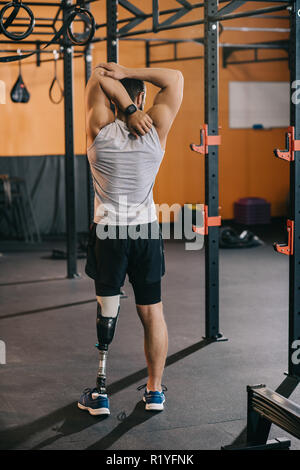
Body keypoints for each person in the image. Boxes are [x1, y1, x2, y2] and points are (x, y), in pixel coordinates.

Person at [78, 62, 184, 416]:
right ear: (142, 98)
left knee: (108, 308)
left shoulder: (98, 131)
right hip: (145, 232)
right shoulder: (156, 133)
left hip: (108, 232)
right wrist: (129, 76)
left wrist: (120, 98)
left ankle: (101, 393)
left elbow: (97, 76)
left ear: (112, 102)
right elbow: (175, 79)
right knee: (152, 312)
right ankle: (154, 391)